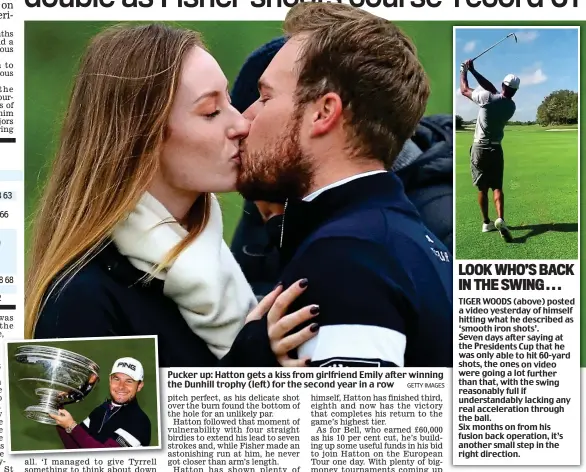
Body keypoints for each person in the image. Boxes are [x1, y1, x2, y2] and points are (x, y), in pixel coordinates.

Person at [25, 23, 317, 367]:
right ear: (141, 136)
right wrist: (249, 371)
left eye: (229, 102)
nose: (240, 124)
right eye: (210, 112)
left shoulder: (217, 265)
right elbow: (94, 423)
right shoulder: (79, 298)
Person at [236, 3, 453, 367]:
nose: (245, 118)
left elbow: (350, 425)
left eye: (266, 96)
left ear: (323, 112)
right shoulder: (401, 237)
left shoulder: (347, 255)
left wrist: (247, 362)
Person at [460, 58, 519, 242]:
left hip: (479, 148)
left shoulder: (486, 98)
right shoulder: (511, 106)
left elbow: (464, 90)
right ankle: (500, 218)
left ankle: (486, 222)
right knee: (497, 187)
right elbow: (493, 89)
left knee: (482, 188)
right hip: (496, 149)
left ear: (503, 85)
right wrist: (474, 71)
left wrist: (464, 70)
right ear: (515, 91)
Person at [50, 357, 151, 448]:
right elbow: (74, 447)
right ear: (110, 380)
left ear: (139, 386)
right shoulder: (101, 411)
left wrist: (71, 426)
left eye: (129, 381)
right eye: (116, 379)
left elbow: (106, 457)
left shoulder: (140, 421)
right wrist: (58, 412)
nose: (121, 386)